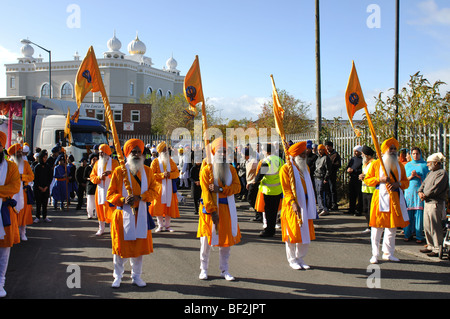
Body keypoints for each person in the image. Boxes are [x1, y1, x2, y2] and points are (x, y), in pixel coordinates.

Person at [106, 139, 159, 288]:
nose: (136, 154)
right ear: (127, 153)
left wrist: (141, 197)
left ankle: (136, 276)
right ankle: (117, 277)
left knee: (138, 249)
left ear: (142, 153)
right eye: (133, 151)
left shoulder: (148, 171)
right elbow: (110, 194)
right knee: (119, 249)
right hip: (122, 215)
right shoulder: (119, 171)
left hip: (140, 215)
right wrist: (122, 199)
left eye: (138, 151)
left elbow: (155, 191)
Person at [198, 138, 241, 281]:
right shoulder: (207, 170)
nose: (223, 154)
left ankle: (225, 270)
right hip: (210, 212)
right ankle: (203, 269)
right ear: (214, 152)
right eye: (220, 151)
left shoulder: (231, 169)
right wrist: (213, 212)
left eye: (225, 152)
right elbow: (205, 193)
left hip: (228, 211)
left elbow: (237, 187)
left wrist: (222, 189)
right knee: (206, 242)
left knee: (226, 242)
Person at [364, 137, 409, 264]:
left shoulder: (400, 165)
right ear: (385, 150)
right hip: (380, 198)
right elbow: (367, 180)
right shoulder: (376, 164)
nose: (393, 151)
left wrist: (398, 183)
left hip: (395, 199)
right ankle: (375, 254)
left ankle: (388, 253)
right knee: (377, 227)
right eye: (391, 148)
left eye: (395, 148)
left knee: (392, 228)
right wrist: (380, 179)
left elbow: (406, 182)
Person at [280, 142, 317, 270]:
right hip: (292, 206)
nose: (304, 155)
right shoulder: (286, 168)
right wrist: (293, 202)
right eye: (301, 154)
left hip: (306, 205)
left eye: (304, 153)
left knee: (305, 232)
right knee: (292, 233)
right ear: (295, 155)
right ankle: (292, 259)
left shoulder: (305, 167)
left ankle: (300, 258)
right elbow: (286, 189)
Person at [0, 131, 21, 298]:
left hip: (5, 213)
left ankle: (0, 283)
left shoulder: (11, 167)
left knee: (4, 250)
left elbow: (14, 187)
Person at [418, 152, 449, 257]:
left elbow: (436, 188)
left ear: (436, 163)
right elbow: (423, 184)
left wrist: (424, 194)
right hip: (427, 202)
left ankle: (437, 247)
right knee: (427, 225)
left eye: (429, 163)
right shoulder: (429, 173)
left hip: (435, 203)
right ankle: (430, 245)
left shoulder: (442, 173)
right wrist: (420, 192)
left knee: (435, 226)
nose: (427, 165)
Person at [149, 142, 180, 232]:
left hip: (170, 189)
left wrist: (170, 174)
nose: (166, 151)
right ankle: (160, 225)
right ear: (160, 151)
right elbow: (151, 175)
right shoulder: (155, 161)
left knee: (168, 206)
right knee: (159, 207)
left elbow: (177, 173)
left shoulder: (171, 161)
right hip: (159, 189)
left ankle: (168, 225)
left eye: (166, 149)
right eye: (164, 149)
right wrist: (162, 175)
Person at [254, 143, 284, 237]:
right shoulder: (280, 160)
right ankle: (272, 228)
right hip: (278, 189)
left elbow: (259, 175)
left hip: (268, 190)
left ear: (267, 151)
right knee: (274, 211)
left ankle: (269, 230)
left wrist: (255, 181)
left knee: (268, 212)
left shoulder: (267, 161)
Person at [90, 144, 119, 236]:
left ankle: (112, 228)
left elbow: (119, 175)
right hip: (100, 191)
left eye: (102, 152)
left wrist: (110, 173)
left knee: (112, 209)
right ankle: (101, 228)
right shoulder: (97, 163)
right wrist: (99, 177)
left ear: (107, 152)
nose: (101, 154)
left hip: (111, 191)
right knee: (100, 210)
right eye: (100, 153)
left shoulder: (114, 163)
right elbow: (92, 177)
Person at [8, 144, 34, 241]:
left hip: (23, 192)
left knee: (23, 214)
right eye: (18, 152)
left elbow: (31, 176)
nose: (20, 153)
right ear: (13, 154)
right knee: (12, 214)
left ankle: (23, 233)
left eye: (20, 151)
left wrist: (22, 176)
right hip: (11, 193)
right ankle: (13, 233)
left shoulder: (25, 163)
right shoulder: (8, 164)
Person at [404, 147, 429, 244]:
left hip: (419, 191)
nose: (415, 155)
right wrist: (411, 176)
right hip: (409, 191)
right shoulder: (408, 165)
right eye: (413, 153)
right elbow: (404, 179)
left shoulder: (424, 165)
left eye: (417, 153)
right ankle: (407, 234)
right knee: (408, 214)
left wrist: (418, 176)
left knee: (419, 214)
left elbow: (427, 179)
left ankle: (419, 235)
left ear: (420, 154)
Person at [359, 146, 376, 233]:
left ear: (366, 155)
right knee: (365, 209)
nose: (361, 155)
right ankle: (368, 225)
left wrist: (365, 177)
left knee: (371, 210)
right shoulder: (365, 164)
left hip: (372, 190)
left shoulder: (374, 163)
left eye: (362, 154)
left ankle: (373, 226)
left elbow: (375, 175)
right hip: (365, 189)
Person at [33, 150, 53, 223]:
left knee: (45, 203)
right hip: (38, 188)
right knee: (38, 203)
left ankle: (45, 216)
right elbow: (35, 178)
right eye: (43, 157)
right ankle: (37, 216)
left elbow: (50, 178)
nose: (45, 159)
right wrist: (39, 187)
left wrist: (46, 187)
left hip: (46, 187)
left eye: (46, 157)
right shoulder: (37, 167)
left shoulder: (48, 167)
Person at [314, 144, 332, 216]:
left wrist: (326, 178)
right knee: (318, 193)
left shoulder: (326, 158)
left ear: (323, 150)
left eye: (320, 149)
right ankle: (320, 208)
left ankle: (325, 208)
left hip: (322, 178)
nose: (319, 151)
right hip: (316, 177)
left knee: (322, 193)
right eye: (318, 150)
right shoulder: (318, 158)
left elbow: (328, 169)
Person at [346, 145, 363, 215]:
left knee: (359, 195)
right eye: (354, 151)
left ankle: (359, 210)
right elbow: (348, 166)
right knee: (351, 195)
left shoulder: (362, 160)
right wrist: (348, 169)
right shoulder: (352, 159)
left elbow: (362, 170)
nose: (355, 153)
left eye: (356, 151)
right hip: (352, 178)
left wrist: (354, 170)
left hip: (358, 179)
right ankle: (351, 209)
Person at [325, 141, 341, 211]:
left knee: (332, 190)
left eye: (328, 146)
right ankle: (328, 204)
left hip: (332, 175)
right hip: (326, 175)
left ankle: (334, 204)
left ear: (331, 147)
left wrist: (330, 167)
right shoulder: (326, 155)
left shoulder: (335, 155)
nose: (327, 148)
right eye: (326, 146)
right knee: (327, 190)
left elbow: (338, 165)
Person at [84, 153, 98, 219]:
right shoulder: (88, 167)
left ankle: (97, 215)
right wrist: (90, 178)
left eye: (96, 159)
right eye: (93, 159)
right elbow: (84, 177)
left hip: (97, 186)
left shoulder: (98, 167)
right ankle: (90, 214)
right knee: (90, 202)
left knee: (97, 202)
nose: (95, 161)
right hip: (90, 186)